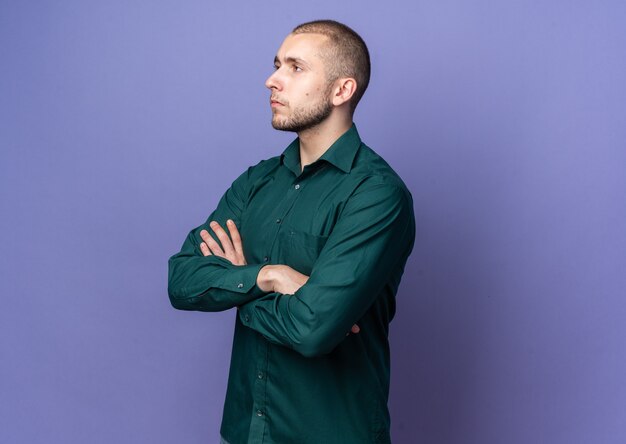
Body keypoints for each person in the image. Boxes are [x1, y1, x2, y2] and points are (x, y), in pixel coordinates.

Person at [168, 19, 415, 444]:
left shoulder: (376, 195)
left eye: (295, 68)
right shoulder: (256, 183)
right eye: (277, 64)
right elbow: (181, 282)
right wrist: (268, 276)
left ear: (342, 90)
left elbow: (311, 331)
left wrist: (239, 286)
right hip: (247, 433)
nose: (272, 80)